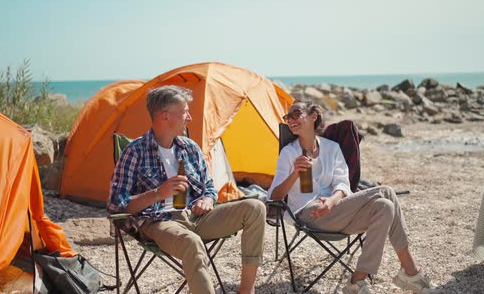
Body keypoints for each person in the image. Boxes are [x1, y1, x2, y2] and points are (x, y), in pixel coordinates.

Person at [267, 100, 437, 294]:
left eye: (296, 114)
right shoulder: (289, 153)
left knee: (385, 206)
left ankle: (357, 280)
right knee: (386, 191)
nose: (290, 120)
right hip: (308, 214)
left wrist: (332, 201)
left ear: (313, 116)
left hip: (336, 210)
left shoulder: (332, 148)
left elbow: (342, 184)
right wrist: (294, 173)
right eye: (288, 117)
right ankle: (411, 272)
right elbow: (274, 196)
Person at [108, 85, 265, 294]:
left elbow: (209, 187)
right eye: (184, 112)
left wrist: (207, 200)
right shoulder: (134, 152)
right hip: (159, 221)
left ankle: (246, 291)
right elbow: (116, 204)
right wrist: (157, 194)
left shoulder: (190, 148)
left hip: (196, 216)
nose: (189, 118)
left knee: (255, 207)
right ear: (165, 116)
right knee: (192, 243)